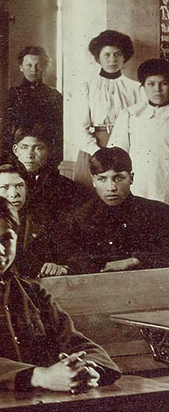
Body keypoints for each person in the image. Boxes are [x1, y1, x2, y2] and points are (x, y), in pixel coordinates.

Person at [0, 193, 121, 391]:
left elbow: (79, 345)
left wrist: (88, 368)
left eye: (6, 239)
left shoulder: (33, 292)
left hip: (46, 400)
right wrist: (37, 376)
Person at [66, 147, 169, 274]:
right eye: (102, 179)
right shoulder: (81, 216)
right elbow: (72, 257)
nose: (111, 188)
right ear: (93, 181)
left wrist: (135, 261)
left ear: (131, 178)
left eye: (119, 178)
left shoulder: (158, 212)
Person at [0, 157, 73, 278]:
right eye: (5, 187)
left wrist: (62, 268)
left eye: (19, 185)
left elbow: (75, 255)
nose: (14, 193)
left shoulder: (44, 219)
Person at [71, 30, 141, 183]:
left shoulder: (136, 88)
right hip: (93, 147)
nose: (112, 60)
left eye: (117, 54)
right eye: (107, 55)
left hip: (125, 147)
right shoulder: (87, 86)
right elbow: (79, 128)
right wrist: (96, 152)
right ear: (98, 58)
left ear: (124, 57)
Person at [108, 58, 169, 204]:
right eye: (151, 84)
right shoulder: (130, 114)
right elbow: (117, 153)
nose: (157, 89)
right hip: (140, 184)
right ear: (143, 87)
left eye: (164, 84)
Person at [11, 123, 88, 221]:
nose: (30, 155)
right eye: (24, 147)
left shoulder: (66, 186)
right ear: (16, 150)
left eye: (38, 148)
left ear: (49, 150)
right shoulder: (7, 184)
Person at [5, 46, 63, 148]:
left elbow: (58, 131)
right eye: (29, 65)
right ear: (21, 67)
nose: (33, 70)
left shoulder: (54, 95)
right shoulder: (11, 95)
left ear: (44, 67)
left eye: (38, 65)